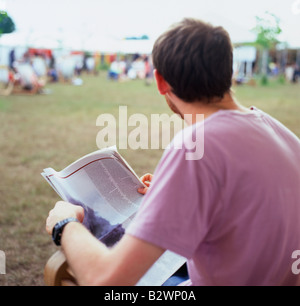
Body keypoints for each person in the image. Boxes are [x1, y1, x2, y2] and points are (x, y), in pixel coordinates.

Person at [46, 18, 300, 286]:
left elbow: (107, 281)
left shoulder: (196, 146)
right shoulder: (281, 133)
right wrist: (179, 195)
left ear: (160, 81)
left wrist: (65, 226)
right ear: (230, 71)